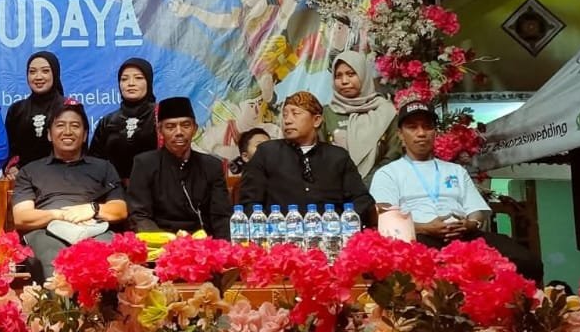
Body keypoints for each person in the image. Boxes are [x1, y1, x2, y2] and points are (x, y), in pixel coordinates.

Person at [370, 101, 542, 280]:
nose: (421, 133)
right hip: (418, 237)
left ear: (435, 132)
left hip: (464, 236)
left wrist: (470, 224)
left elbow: (476, 211)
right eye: (412, 127)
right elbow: (385, 220)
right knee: (433, 265)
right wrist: (425, 228)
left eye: (427, 127)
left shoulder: (456, 170)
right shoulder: (388, 173)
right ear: (400, 135)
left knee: (526, 260)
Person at [11, 100, 128, 281]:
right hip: (46, 231)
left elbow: (120, 210)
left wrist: (92, 209)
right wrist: (59, 215)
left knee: (104, 259)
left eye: (75, 126)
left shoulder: (103, 167)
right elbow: (22, 217)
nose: (67, 131)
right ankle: (57, 301)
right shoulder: (30, 170)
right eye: (60, 125)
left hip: (94, 229)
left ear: (85, 134)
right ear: (49, 134)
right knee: (53, 260)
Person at [237, 91, 374, 221]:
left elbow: (361, 200)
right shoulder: (267, 153)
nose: (287, 121)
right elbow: (249, 203)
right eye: (285, 115)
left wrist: (341, 223)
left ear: (316, 120)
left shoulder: (337, 157)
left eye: (295, 114)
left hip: (332, 233)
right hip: (279, 234)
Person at [126, 97, 231, 239]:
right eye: (170, 127)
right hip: (161, 242)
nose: (179, 132)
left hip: (203, 242)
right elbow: (139, 216)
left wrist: (222, 247)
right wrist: (166, 242)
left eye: (186, 125)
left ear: (195, 129)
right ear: (160, 130)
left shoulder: (211, 166)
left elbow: (221, 216)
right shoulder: (145, 164)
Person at [323, 50, 401, 183]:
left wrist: (365, 184)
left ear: (363, 74)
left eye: (351, 74)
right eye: (338, 76)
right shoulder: (326, 114)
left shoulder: (385, 111)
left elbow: (393, 154)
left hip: (378, 186)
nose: (344, 81)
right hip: (334, 188)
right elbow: (320, 157)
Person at [87, 57, 157, 180]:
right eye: (124, 79)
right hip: (114, 188)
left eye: (138, 78)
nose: (131, 83)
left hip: (156, 187)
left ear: (148, 81)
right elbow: (95, 162)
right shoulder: (107, 121)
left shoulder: (160, 116)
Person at [4, 51, 66, 179]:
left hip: (62, 178)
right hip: (24, 179)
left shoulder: (69, 108)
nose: (38, 77)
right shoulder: (16, 110)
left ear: (55, 73)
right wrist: (13, 167)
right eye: (32, 72)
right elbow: (9, 149)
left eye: (45, 71)